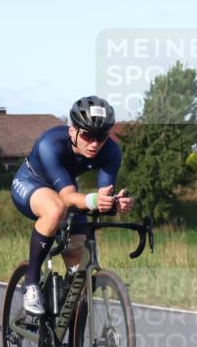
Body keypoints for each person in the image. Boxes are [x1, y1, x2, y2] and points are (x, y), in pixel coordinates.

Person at [10, 95, 134, 315]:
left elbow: (103, 193)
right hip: (31, 183)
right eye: (87, 135)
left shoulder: (111, 151)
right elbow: (67, 197)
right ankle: (31, 282)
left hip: (68, 190)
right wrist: (95, 200)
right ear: (72, 131)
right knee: (56, 208)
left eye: (101, 136)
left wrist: (114, 202)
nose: (94, 144)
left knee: (80, 277)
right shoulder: (51, 143)